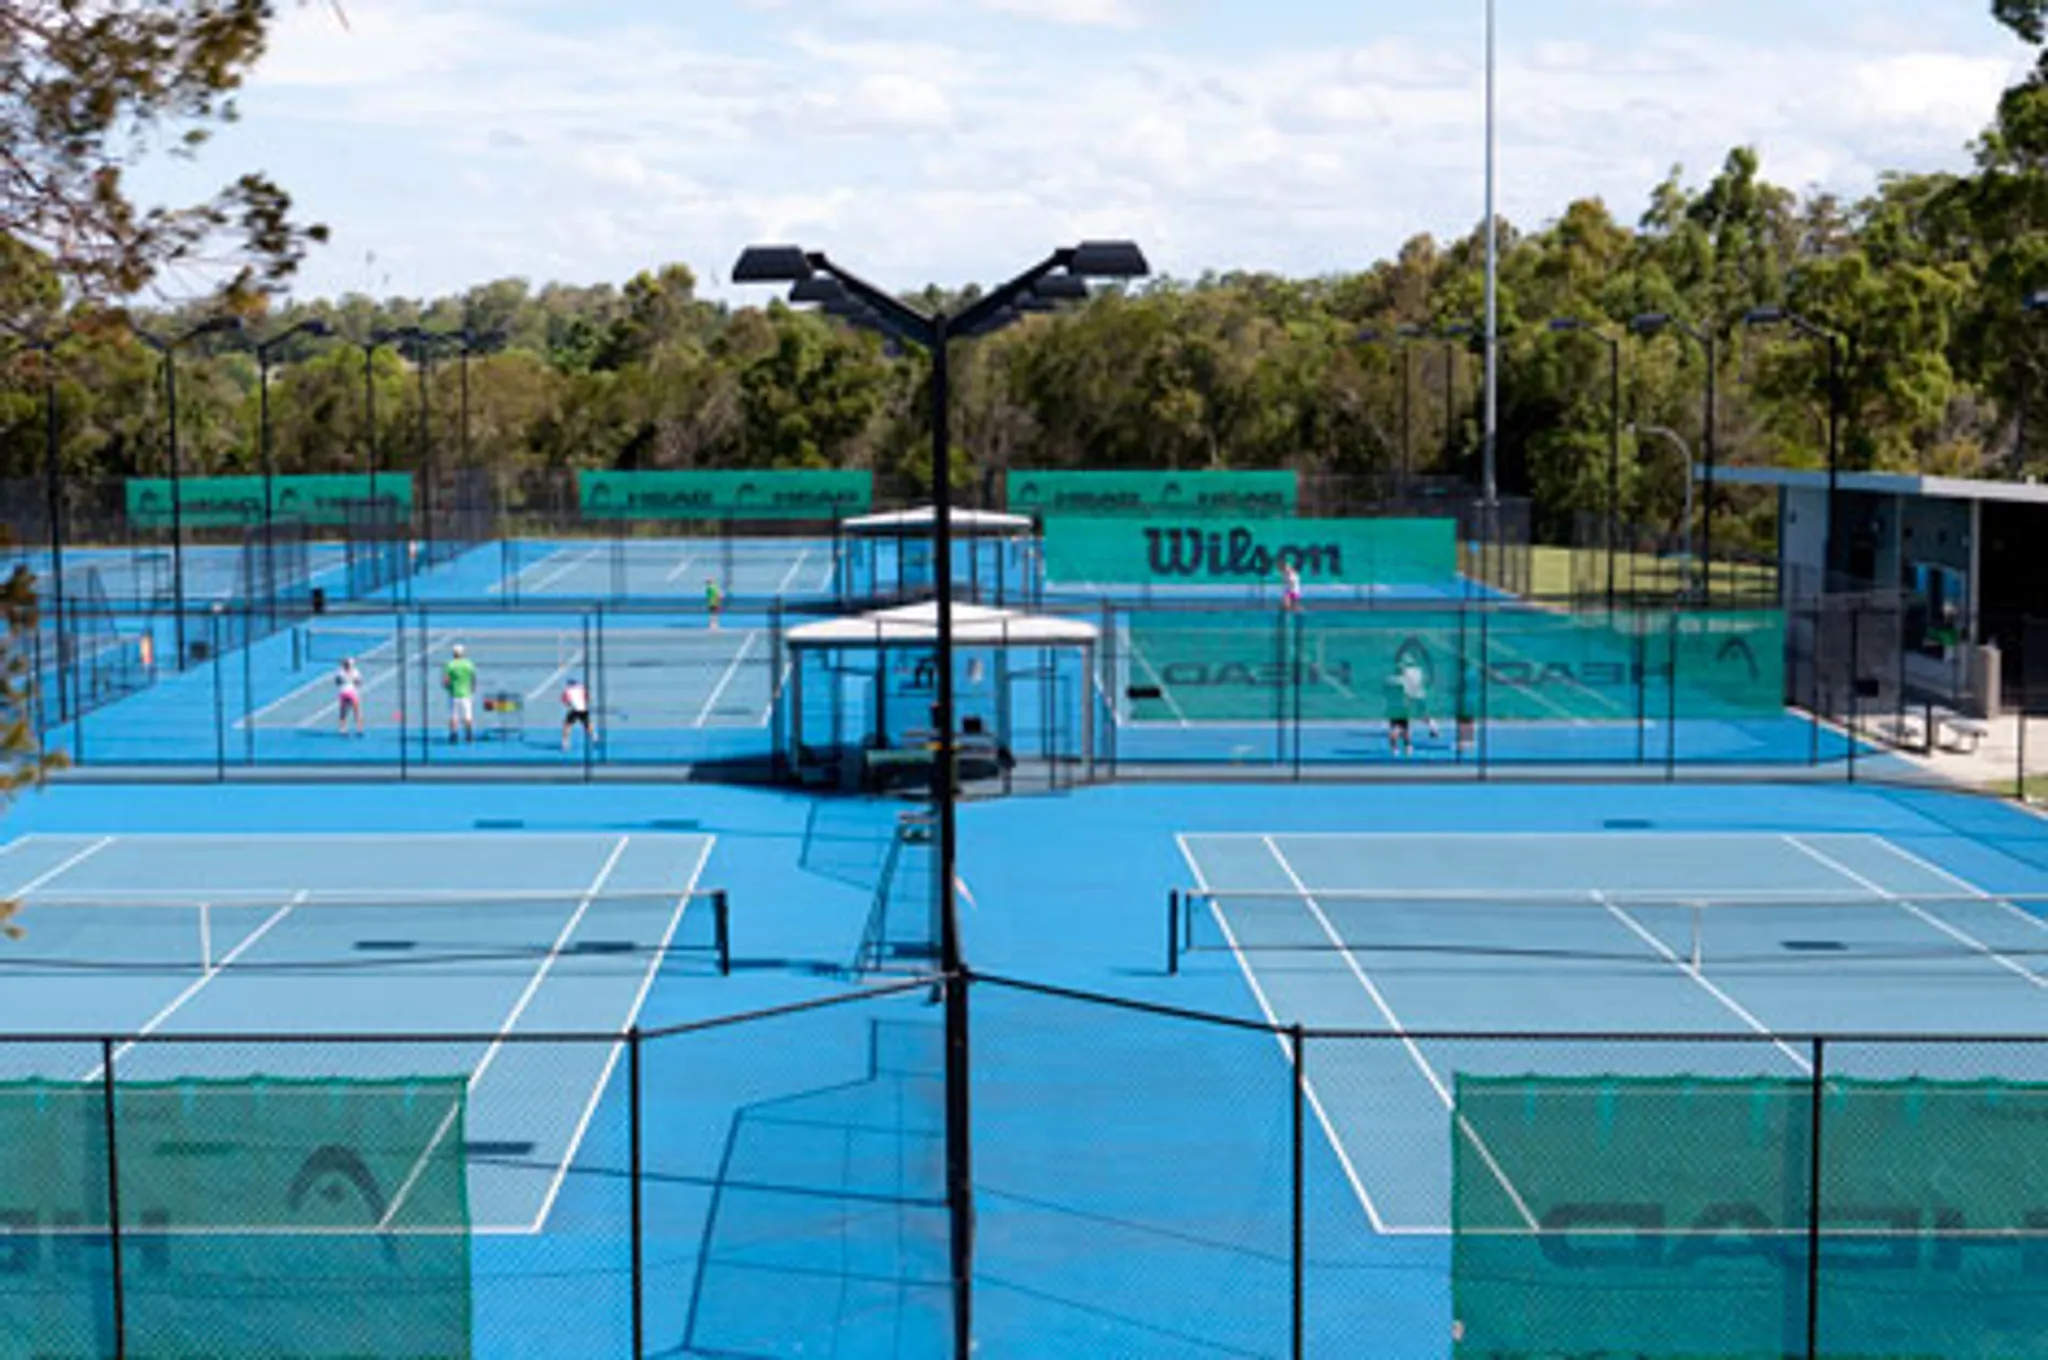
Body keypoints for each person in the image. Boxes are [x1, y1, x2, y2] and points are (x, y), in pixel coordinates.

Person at [1400, 657, 1440, 744]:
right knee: (1422, 714)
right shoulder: (1418, 671)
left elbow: (1406, 684)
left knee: (1408, 715)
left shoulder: (1407, 672)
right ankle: (1433, 728)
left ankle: (1407, 733)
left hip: (1413, 696)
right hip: (1419, 695)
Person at [443, 643, 477, 744]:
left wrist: (449, 688)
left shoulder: (450, 664)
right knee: (468, 716)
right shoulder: (469, 664)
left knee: (454, 716)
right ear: (463, 653)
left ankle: (454, 735)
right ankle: (469, 735)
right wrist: (472, 689)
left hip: (454, 695)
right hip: (467, 694)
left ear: (454, 653)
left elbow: (446, 681)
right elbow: (473, 678)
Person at [1382, 664, 1412, 757]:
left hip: (1393, 708)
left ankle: (1396, 747)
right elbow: (1407, 695)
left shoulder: (1389, 681)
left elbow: (1385, 693)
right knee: (1403, 729)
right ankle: (1405, 746)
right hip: (1401, 708)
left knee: (1398, 729)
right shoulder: (1404, 681)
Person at [561, 676, 595, 752]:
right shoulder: (582, 688)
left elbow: (564, 700)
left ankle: (565, 744)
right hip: (583, 709)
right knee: (587, 724)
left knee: (567, 726)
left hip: (574, 710)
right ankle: (594, 737)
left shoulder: (567, 690)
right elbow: (587, 698)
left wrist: (569, 704)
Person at [335, 656, 364, 737]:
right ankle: (343, 729)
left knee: (355, 710)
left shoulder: (354, 672)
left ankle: (359, 729)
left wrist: (354, 680)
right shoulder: (341, 672)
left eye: (349, 664)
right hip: (345, 693)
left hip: (351, 692)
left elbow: (359, 682)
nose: (348, 665)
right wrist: (343, 679)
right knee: (344, 711)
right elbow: (337, 682)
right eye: (347, 664)